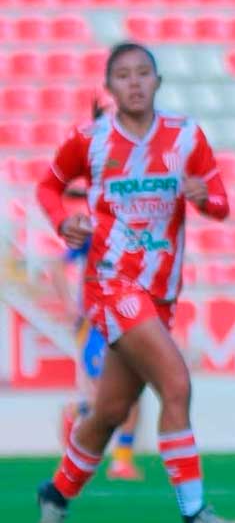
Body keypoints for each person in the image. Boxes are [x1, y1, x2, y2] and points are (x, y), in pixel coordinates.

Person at [33, 42, 235, 523]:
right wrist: (65, 222)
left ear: (157, 81)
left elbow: (220, 201)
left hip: (160, 294)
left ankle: (55, 496)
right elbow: (47, 187)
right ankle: (195, 514)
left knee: (108, 412)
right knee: (176, 382)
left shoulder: (185, 136)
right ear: (110, 87)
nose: (133, 83)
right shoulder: (90, 140)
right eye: (123, 75)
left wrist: (204, 199)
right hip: (111, 284)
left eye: (142, 73)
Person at [52, 106, 143, 481]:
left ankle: (122, 459)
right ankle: (77, 425)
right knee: (102, 392)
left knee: (135, 386)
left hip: (127, 313)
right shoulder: (94, 226)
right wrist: (71, 307)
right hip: (96, 318)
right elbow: (61, 263)